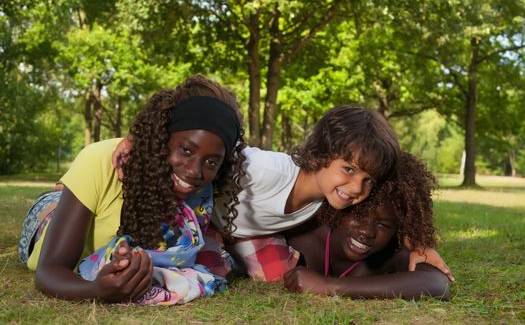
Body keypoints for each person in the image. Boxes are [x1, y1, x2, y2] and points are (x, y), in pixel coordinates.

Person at [114, 105, 452, 282]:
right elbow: (210, 144)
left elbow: (398, 206)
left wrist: (421, 243)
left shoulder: (328, 201)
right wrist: (140, 139)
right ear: (321, 152)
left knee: (275, 274)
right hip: (200, 216)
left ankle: (225, 254)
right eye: (349, 170)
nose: (356, 189)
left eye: (368, 180)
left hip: (241, 233)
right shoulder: (263, 168)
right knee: (186, 263)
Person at [18, 75, 247, 304]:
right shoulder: (100, 159)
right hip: (46, 218)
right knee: (61, 199)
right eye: (186, 150)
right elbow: (48, 271)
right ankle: (65, 188)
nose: (195, 171)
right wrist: (96, 291)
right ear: (162, 136)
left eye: (210, 162)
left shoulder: (207, 185)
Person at [282, 152, 451, 300]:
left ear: (399, 227)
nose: (367, 231)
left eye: (383, 224)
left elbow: (437, 284)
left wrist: (329, 286)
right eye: (359, 215)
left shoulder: (388, 253)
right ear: (339, 207)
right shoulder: (303, 230)